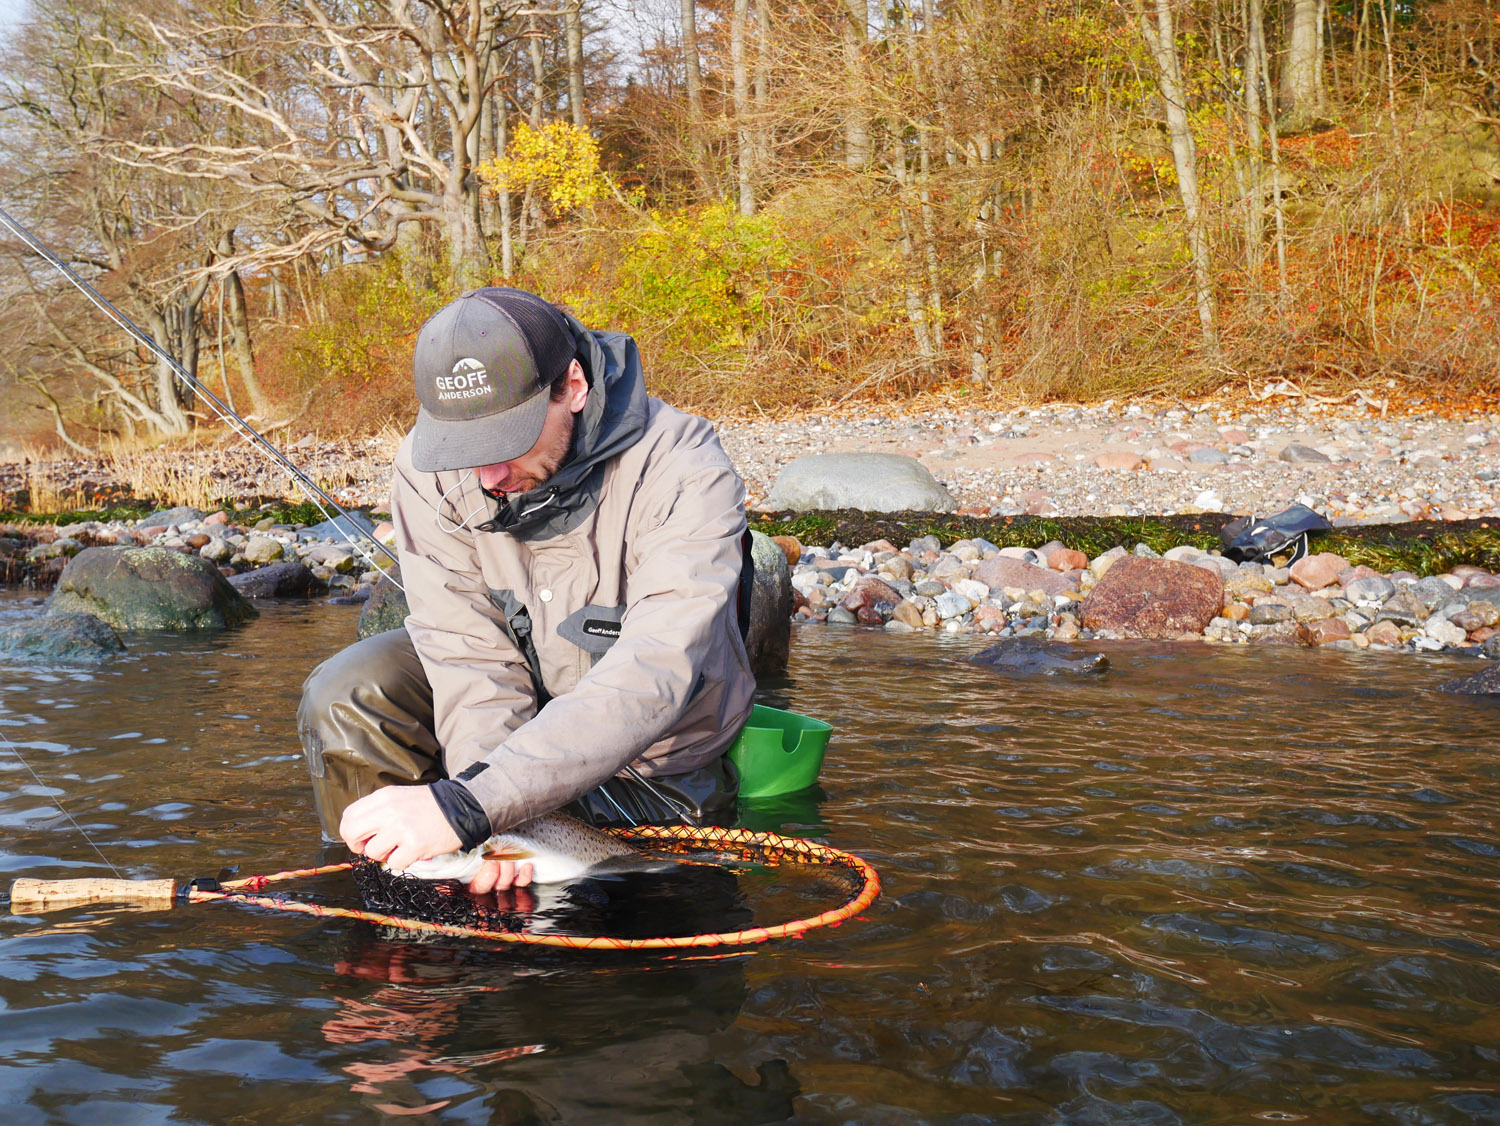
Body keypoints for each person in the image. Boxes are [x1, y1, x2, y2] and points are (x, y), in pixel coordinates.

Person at [298, 287, 756, 895]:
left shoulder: (682, 467)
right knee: (349, 690)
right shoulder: (428, 467)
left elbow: (656, 669)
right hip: (500, 745)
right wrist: (489, 815)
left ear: (573, 386)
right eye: (464, 448)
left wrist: (474, 806)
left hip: (650, 762)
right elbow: (464, 653)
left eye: (504, 442)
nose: (485, 477)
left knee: (646, 921)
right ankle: (395, 900)